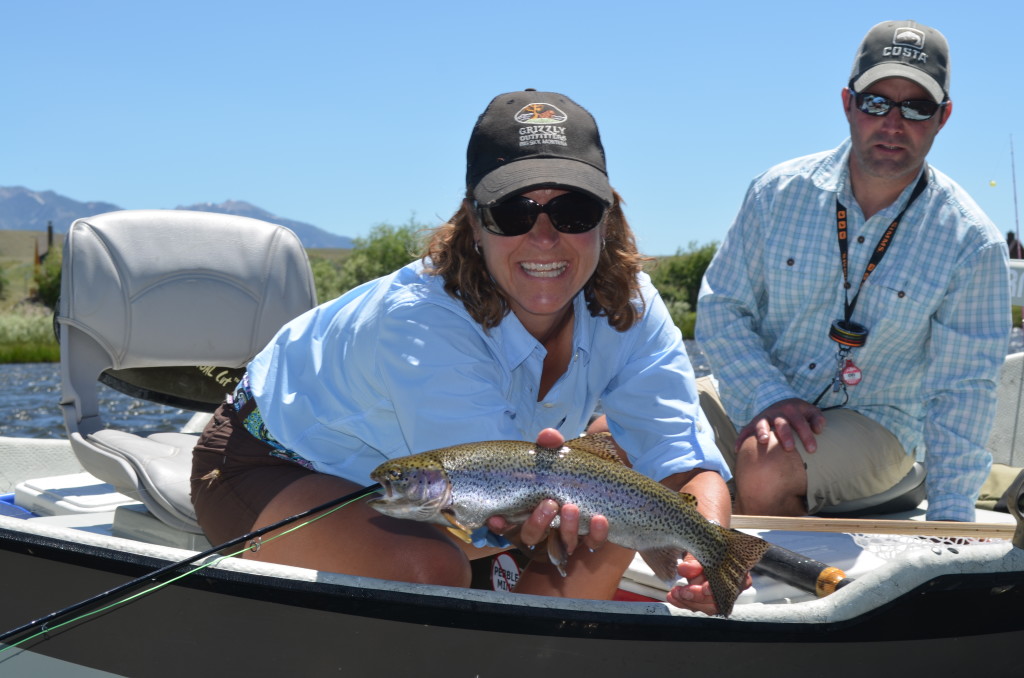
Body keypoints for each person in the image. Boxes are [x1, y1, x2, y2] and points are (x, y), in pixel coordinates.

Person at [191, 89, 736, 613]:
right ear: (474, 222)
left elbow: (683, 460)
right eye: (513, 213)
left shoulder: (631, 302)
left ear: (607, 217)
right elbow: (481, 517)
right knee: (430, 569)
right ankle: (518, 630)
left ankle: (540, 640)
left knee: (619, 468)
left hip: (443, 479)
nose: (544, 237)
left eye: (574, 211)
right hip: (273, 459)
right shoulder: (421, 320)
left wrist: (708, 558)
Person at [696, 21, 1011, 523]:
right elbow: (721, 307)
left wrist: (950, 526)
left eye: (917, 107)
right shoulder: (775, 192)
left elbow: (962, 391)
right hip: (761, 393)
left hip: (878, 424)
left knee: (766, 463)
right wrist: (769, 395)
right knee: (622, 429)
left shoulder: (972, 242)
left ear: (942, 118)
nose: (893, 122)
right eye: (876, 102)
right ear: (848, 104)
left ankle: (771, 593)